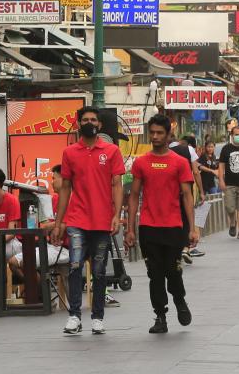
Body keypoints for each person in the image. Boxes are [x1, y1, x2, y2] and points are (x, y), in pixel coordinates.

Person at [53, 105, 126, 335]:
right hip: (77, 220)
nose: (90, 123)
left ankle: (97, 317)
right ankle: (75, 316)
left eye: (94, 120)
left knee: (99, 270)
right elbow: (65, 187)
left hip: (103, 221)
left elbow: (117, 184)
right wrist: (59, 222)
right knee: (74, 266)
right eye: (85, 119)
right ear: (78, 124)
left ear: (100, 125)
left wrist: (117, 215)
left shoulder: (112, 151)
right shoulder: (69, 153)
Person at [125, 114, 198, 333]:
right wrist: (129, 229)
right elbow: (134, 194)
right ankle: (160, 316)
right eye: (152, 132)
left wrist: (192, 229)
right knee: (155, 275)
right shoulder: (141, 162)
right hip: (148, 228)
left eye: (159, 133)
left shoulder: (180, 162)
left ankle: (179, 300)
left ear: (168, 135)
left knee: (173, 272)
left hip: (174, 228)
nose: (155, 137)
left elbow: (187, 195)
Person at [216, 125, 239, 239]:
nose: (238, 136)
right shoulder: (226, 149)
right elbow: (221, 166)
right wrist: (221, 180)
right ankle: (233, 222)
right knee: (230, 207)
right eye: (236, 134)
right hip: (229, 184)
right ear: (231, 135)